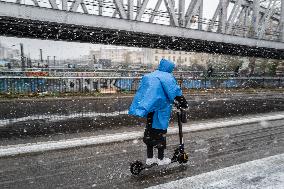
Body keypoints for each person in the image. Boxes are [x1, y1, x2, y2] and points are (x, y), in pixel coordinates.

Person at [129, 59, 188, 166]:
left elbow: (144, 92)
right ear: (169, 67)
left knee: (149, 134)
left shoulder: (150, 76)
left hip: (151, 110)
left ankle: (150, 158)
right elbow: (174, 91)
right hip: (161, 110)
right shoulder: (167, 77)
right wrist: (183, 103)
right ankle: (161, 159)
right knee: (160, 134)